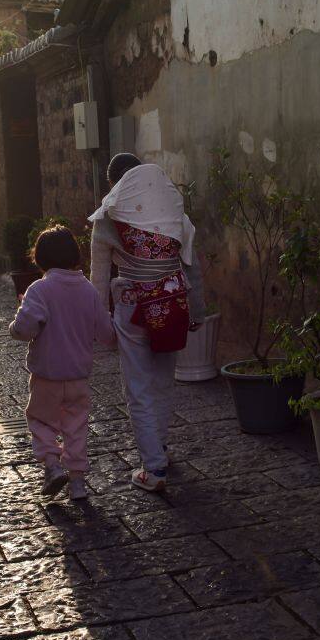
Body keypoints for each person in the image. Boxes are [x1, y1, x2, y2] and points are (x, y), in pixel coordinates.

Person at [89, 153, 204, 492]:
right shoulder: (175, 214)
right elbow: (192, 266)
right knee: (164, 380)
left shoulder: (108, 218)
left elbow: (98, 279)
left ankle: (153, 469)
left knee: (138, 387)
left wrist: (99, 325)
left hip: (132, 308)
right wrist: (196, 311)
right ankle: (160, 449)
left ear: (116, 184)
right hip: (171, 304)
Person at [9, 226, 116, 500]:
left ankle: (53, 466)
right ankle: (78, 484)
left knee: (41, 421)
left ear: (40, 259)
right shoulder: (89, 290)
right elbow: (107, 332)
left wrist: (16, 319)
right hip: (78, 376)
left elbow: (24, 329)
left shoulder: (40, 289)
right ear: (74, 256)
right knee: (76, 427)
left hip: (47, 376)